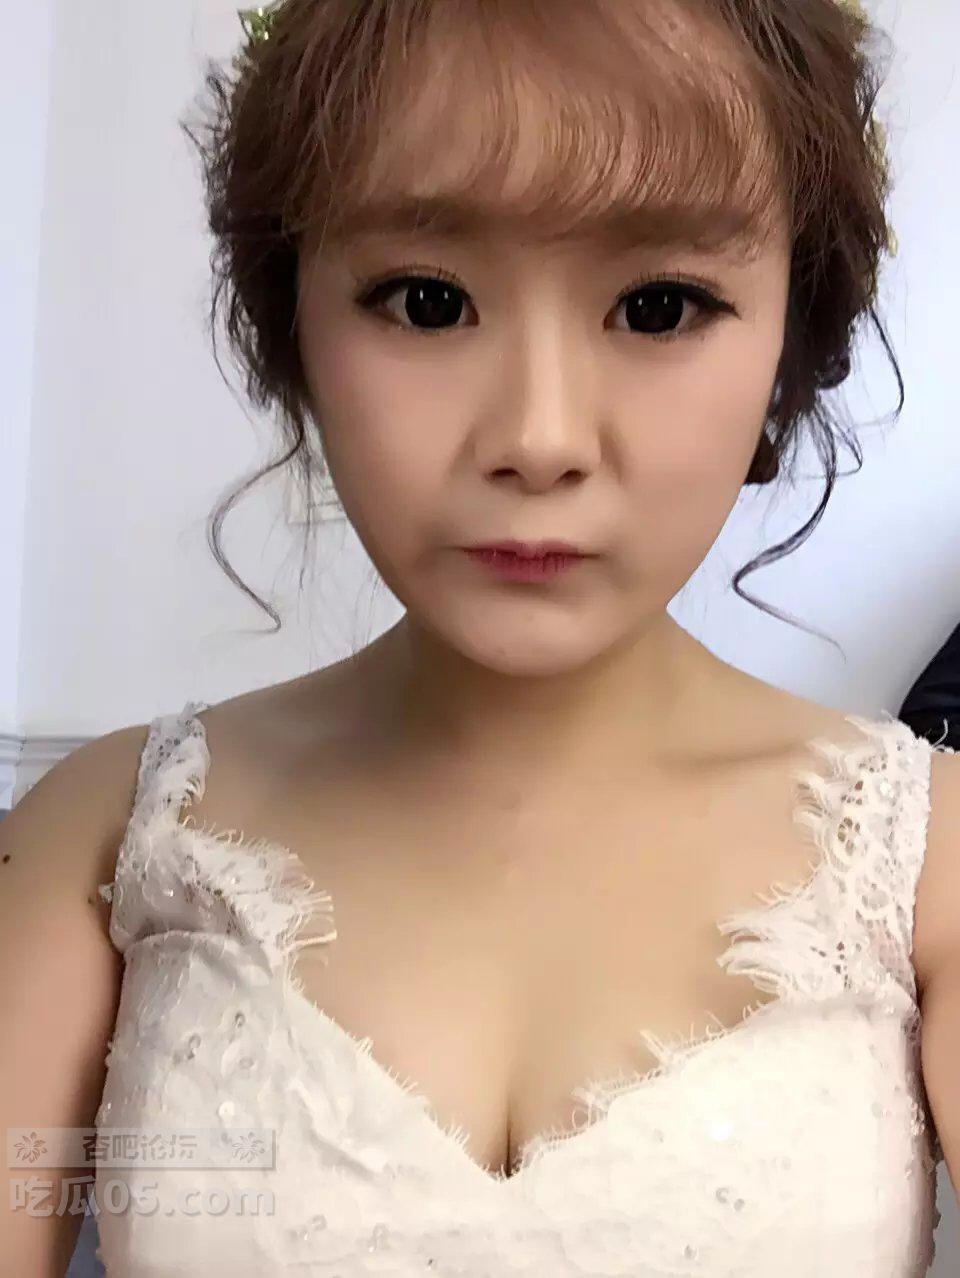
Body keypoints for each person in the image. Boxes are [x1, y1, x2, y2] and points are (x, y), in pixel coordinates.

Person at [3, 1, 960, 1274]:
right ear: (295, 327)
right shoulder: (94, 841)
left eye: (659, 307)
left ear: (792, 337)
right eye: (428, 300)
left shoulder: (929, 863)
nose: (540, 438)